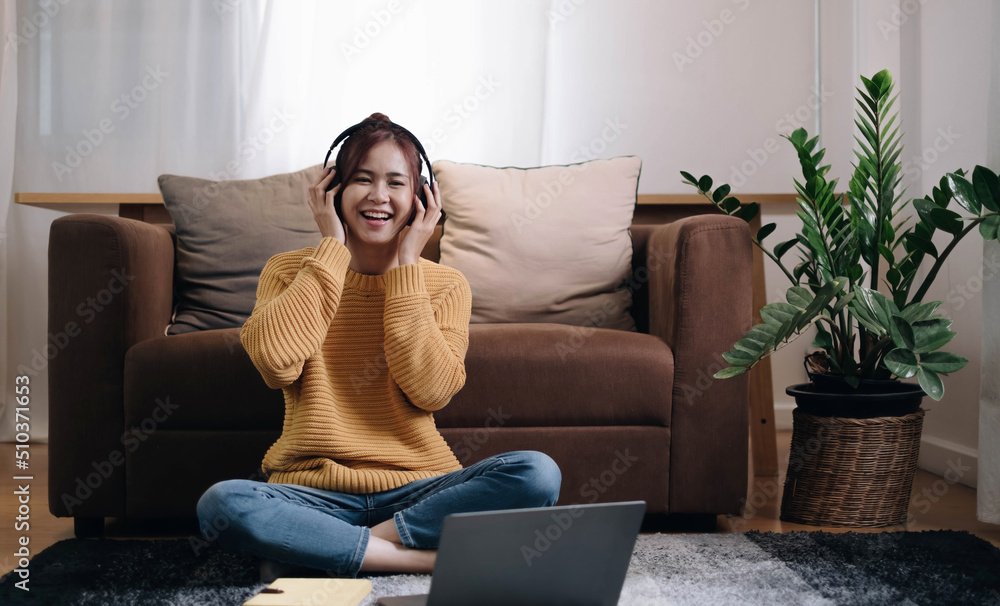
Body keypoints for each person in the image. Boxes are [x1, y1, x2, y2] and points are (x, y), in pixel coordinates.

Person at [195, 113, 561, 580]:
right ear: (332, 192)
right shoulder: (288, 270)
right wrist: (331, 248)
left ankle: (321, 550)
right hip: (313, 492)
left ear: (421, 198)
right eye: (362, 180)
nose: (379, 196)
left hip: (419, 489)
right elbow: (275, 364)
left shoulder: (445, 284)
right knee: (223, 503)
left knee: (537, 473)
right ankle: (421, 559)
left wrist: (408, 263)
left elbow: (431, 391)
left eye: (396, 182)